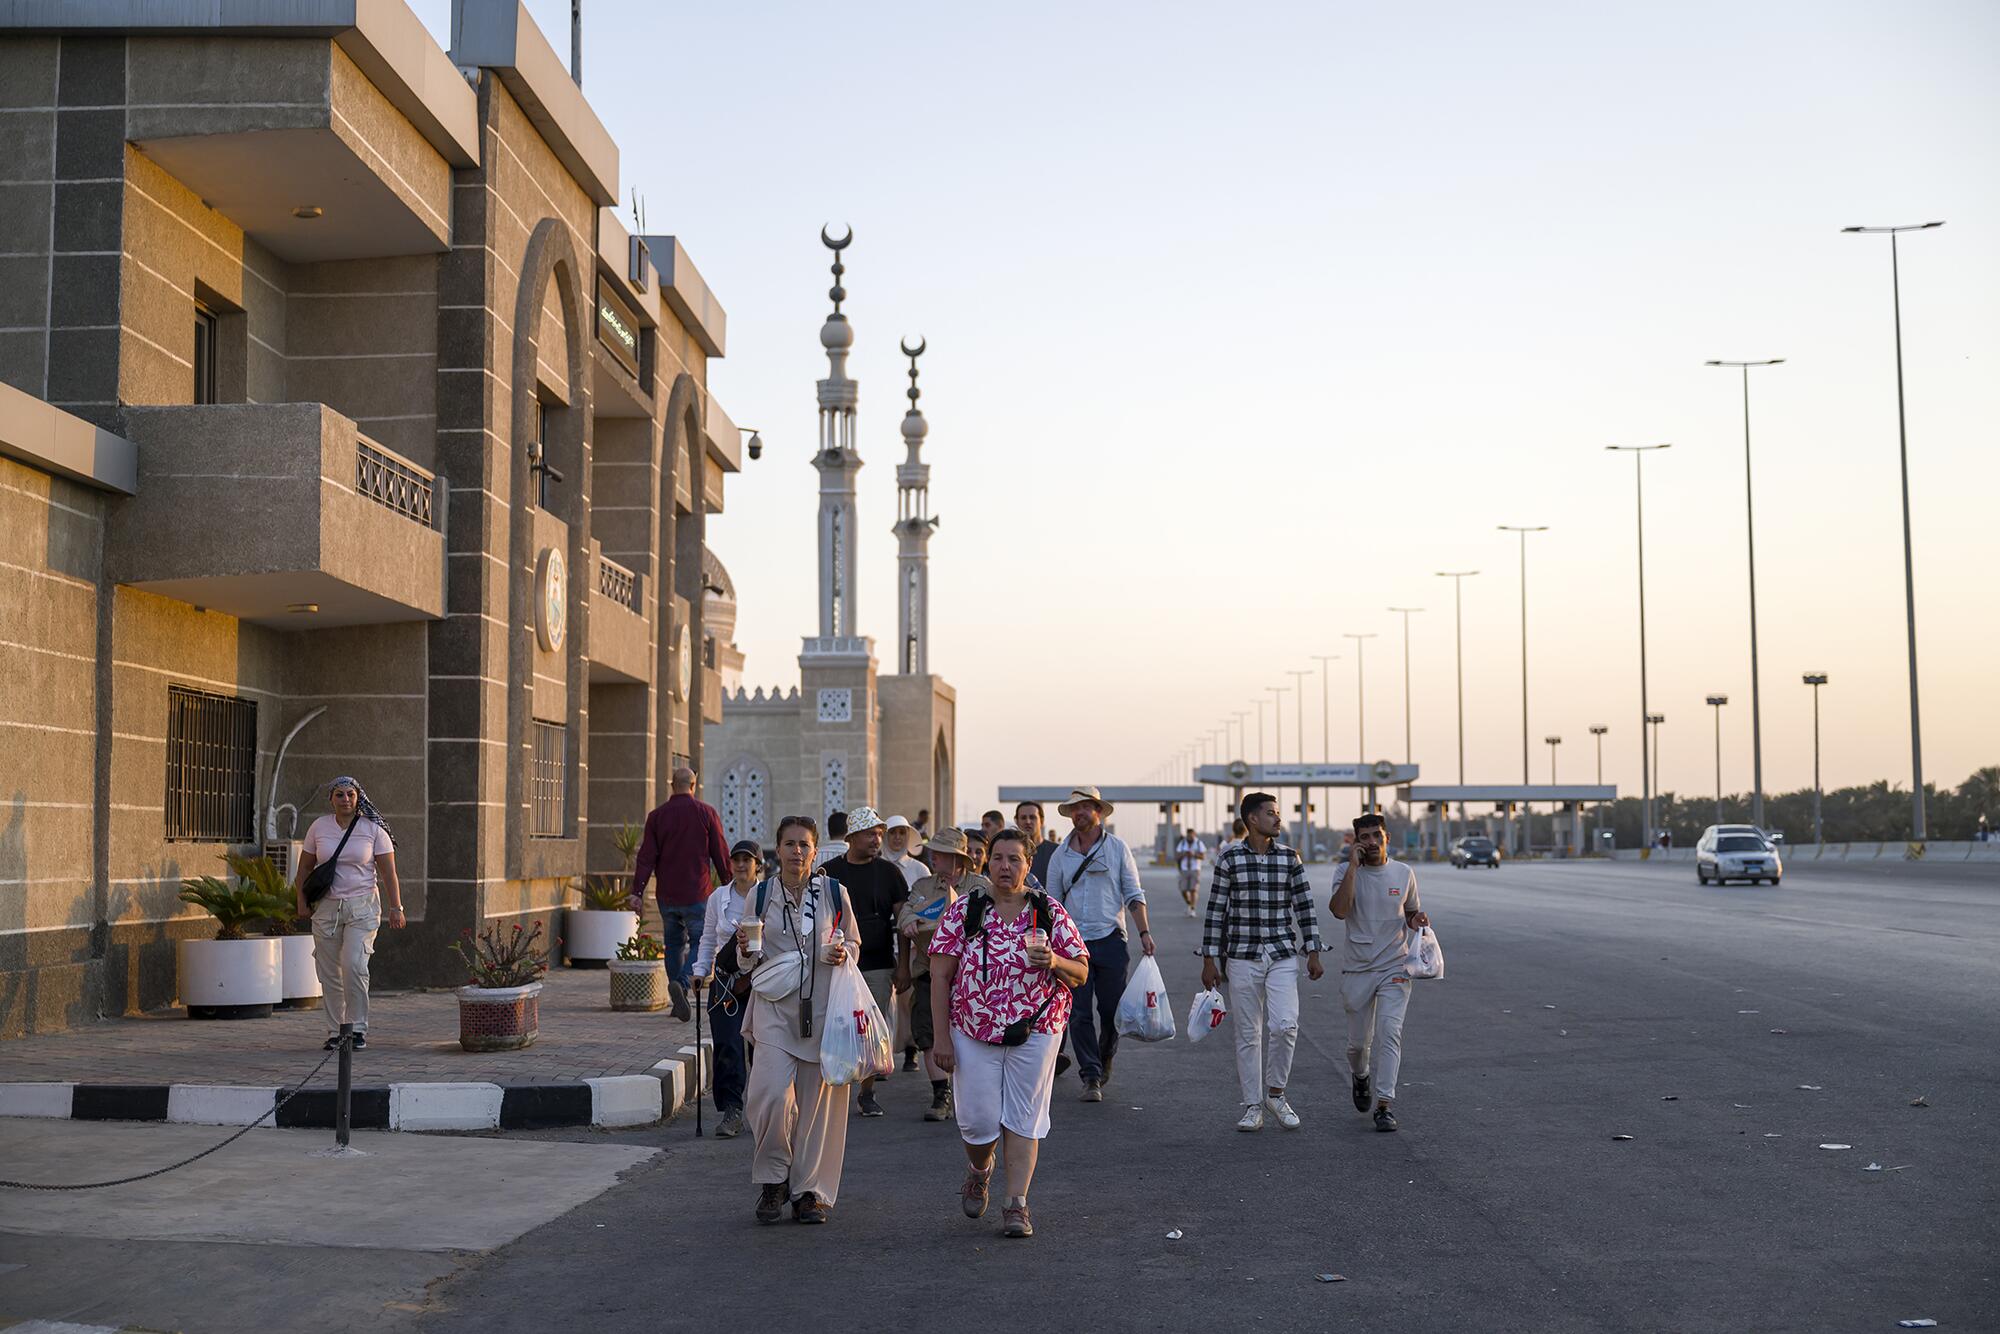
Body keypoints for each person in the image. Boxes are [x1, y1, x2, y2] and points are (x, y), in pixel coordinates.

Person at [930, 827, 1090, 1239]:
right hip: (972, 1029)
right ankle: (979, 1169)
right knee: (978, 1121)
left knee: (1024, 1118)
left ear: (1028, 864)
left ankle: (1016, 1204)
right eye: (998, 858)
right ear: (987, 863)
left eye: (1014, 859)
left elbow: (1080, 971)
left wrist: (1053, 960)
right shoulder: (966, 910)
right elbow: (940, 975)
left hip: (1036, 1028)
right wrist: (941, 1039)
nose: (1005, 866)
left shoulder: (1048, 911)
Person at [741, 815, 862, 1224]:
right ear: (777, 849)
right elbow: (748, 957)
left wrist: (843, 953)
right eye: (789, 843)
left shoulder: (833, 892)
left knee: (815, 1109)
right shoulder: (760, 895)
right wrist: (744, 950)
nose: (797, 851)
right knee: (771, 1095)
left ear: (815, 850)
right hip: (774, 1011)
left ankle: (807, 1192)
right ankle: (773, 1179)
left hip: (823, 1012)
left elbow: (853, 942)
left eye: (804, 844)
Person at [1198, 793, 1324, 1131]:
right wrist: (1209, 959)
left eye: (1277, 813)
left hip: (1282, 954)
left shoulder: (1289, 858)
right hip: (1242, 956)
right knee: (1248, 1034)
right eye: (1271, 813)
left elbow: (1305, 906)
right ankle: (1252, 1105)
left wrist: (1313, 951)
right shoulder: (1229, 859)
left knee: (1285, 1025)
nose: (1278, 819)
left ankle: (1276, 1094)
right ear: (1252, 819)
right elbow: (1216, 911)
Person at [1045, 785, 1151, 1102]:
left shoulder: (1117, 849)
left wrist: (1144, 933)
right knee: (1078, 1014)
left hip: (1110, 940)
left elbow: (1133, 893)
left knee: (1111, 1011)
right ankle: (1090, 1075)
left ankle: (1105, 1057)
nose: (1078, 813)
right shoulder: (1060, 856)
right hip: (1073, 947)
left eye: (1085, 807)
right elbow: (1052, 904)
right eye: (1074, 808)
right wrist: (1052, 946)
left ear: (1099, 812)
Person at [1330, 812, 1430, 1133]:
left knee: (1390, 1032)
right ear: (1356, 842)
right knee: (1358, 1046)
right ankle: (1361, 1077)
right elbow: (1339, 911)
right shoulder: (1345, 871)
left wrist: (1416, 920)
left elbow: (1410, 911)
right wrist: (1353, 867)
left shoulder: (1403, 872)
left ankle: (1385, 1105)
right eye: (1365, 837)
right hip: (1357, 968)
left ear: (1387, 837)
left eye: (1377, 835)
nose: (1372, 842)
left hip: (1394, 966)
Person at [293, 776, 402, 1050]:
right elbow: (304, 868)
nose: (345, 800)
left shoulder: (373, 829)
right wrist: (301, 902)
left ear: (358, 797)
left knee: (354, 965)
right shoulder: (319, 827)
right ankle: (335, 1031)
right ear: (331, 799)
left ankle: (356, 1029)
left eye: (350, 794)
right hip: (327, 908)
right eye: (339, 794)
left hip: (362, 907)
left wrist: (396, 908)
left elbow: (389, 873)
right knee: (329, 971)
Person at [820, 807, 909, 1119]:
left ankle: (867, 1093)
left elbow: (903, 923)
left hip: (878, 964)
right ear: (852, 837)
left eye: (879, 833)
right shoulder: (829, 873)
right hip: (835, 965)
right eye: (871, 833)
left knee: (869, 1030)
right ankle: (831, 1089)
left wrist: (903, 965)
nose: (877, 839)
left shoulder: (889, 873)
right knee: (834, 1026)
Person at [631, 766, 730, 1021]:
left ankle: (678, 998)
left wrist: (637, 891)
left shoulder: (657, 816)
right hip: (697, 893)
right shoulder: (706, 813)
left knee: (673, 944)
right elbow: (720, 852)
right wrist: (729, 883)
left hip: (667, 896)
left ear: (671, 785)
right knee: (701, 941)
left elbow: (646, 857)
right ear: (693, 785)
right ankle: (684, 983)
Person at [899, 826, 981, 1122]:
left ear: (957, 858)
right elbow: (905, 912)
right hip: (928, 970)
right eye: (933, 852)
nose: (933, 857)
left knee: (971, 1035)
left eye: (941, 853)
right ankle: (940, 1094)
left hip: (969, 976)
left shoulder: (980, 887)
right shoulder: (923, 885)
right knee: (928, 1033)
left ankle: (970, 1093)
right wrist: (910, 920)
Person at [691, 839, 762, 1139]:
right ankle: (732, 1110)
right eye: (736, 860)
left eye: (747, 860)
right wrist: (699, 971)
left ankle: (764, 1109)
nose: (741, 865)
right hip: (724, 983)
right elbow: (708, 937)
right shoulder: (718, 897)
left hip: (760, 982)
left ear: (758, 865)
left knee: (762, 1048)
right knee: (728, 1045)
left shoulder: (768, 895)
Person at [880, 815, 927, 1071]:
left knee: (908, 1000)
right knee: (882, 1003)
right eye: (892, 833)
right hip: (882, 943)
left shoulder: (919, 870)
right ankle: (880, 1056)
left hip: (911, 944)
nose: (897, 838)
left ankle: (911, 1050)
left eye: (901, 833)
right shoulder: (876, 866)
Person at [1015, 800, 1060, 887]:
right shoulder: (1009, 853)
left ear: (1042, 821)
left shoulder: (1057, 852)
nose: (1028, 821)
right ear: (1016, 821)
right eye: (1023, 818)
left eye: (1032, 817)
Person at [1175, 826, 1208, 918]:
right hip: (1184, 869)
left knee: (1193, 890)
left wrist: (1194, 855)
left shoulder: (1199, 843)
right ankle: (1189, 903)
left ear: (1194, 835)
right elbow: (1177, 856)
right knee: (1183, 889)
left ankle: (1193, 909)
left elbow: (1203, 857)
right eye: (1188, 836)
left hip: (1195, 869)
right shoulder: (1182, 843)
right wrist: (1184, 854)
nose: (1190, 837)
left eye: (1191, 835)